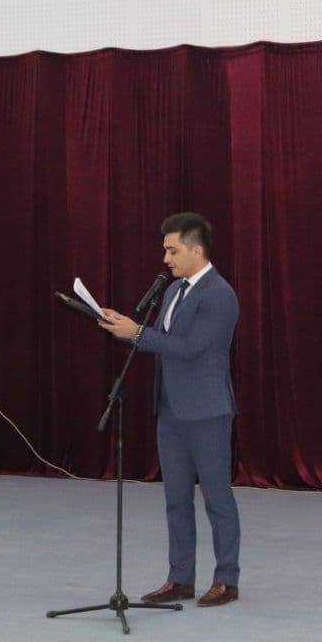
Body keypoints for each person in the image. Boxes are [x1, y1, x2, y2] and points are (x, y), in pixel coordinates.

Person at [98, 212, 242, 608]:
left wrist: (137, 333)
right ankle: (180, 578)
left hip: (207, 412)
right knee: (176, 498)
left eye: (172, 250)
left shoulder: (220, 295)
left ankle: (227, 579)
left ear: (196, 250)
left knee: (217, 498)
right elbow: (161, 339)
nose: (165, 258)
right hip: (172, 409)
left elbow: (191, 348)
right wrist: (127, 329)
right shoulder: (173, 290)